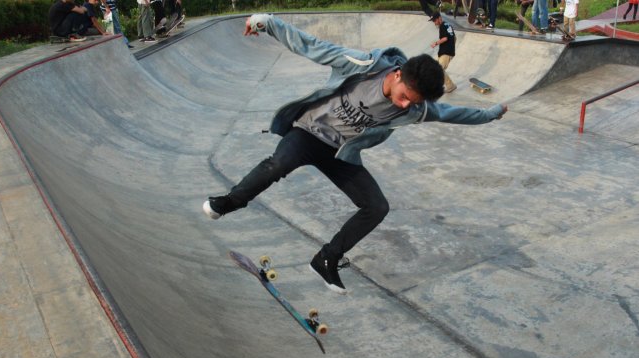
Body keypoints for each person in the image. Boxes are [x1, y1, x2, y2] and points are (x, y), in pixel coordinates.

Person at [202, 14, 508, 294]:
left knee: (376, 206)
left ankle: (327, 258)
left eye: (411, 104)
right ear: (398, 75)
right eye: (404, 98)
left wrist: (492, 113)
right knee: (279, 162)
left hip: (339, 153)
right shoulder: (362, 66)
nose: (404, 106)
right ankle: (230, 202)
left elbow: (453, 113)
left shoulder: (417, 108)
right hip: (309, 133)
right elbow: (311, 45)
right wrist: (267, 22)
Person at [429, 12, 457, 93]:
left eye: (435, 21)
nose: (434, 23)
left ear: (439, 18)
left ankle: (451, 86)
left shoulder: (442, 26)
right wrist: (452, 47)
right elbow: (454, 38)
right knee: (435, 69)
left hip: (446, 52)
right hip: (447, 51)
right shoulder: (448, 25)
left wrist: (436, 43)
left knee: (439, 69)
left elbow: (445, 38)